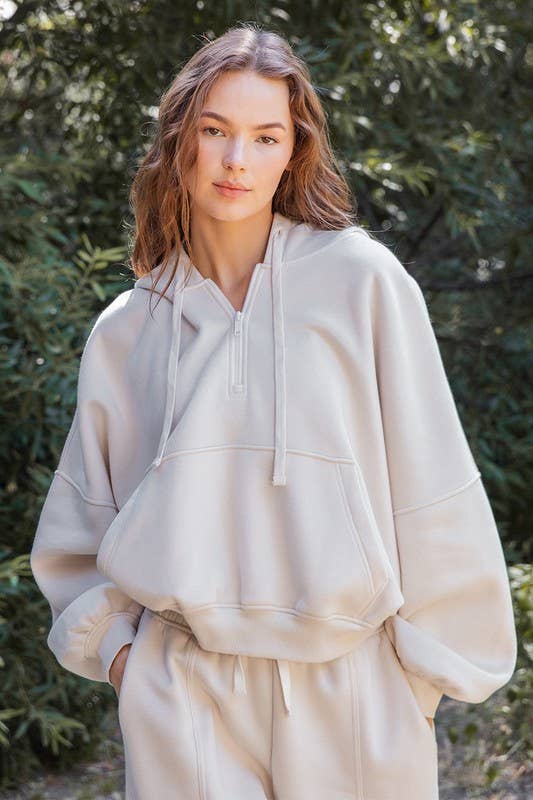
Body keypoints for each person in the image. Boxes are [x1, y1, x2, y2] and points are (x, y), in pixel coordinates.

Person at [30, 23, 517, 800]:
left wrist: (421, 684)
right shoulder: (128, 330)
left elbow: (432, 485)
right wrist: (125, 662)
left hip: (353, 692)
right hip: (182, 694)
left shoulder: (360, 282)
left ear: (294, 152)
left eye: (265, 137)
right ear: (179, 139)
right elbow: (79, 531)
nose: (236, 160)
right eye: (214, 130)